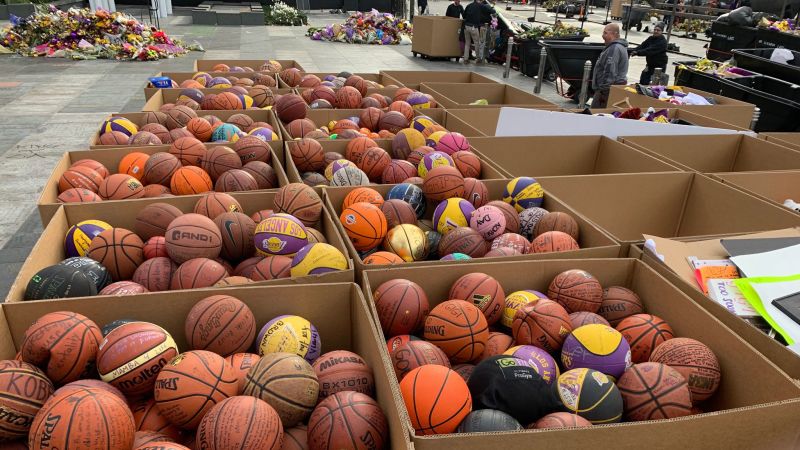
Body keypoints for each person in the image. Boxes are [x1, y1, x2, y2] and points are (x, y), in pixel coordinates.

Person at [591, 23, 629, 108]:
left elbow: (609, 71)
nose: (602, 36)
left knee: (596, 114)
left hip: (607, 90)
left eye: (605, 33)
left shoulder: (614, 49)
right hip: (611, 88)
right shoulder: (618, 47)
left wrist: (603, 91)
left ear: (614, 34)